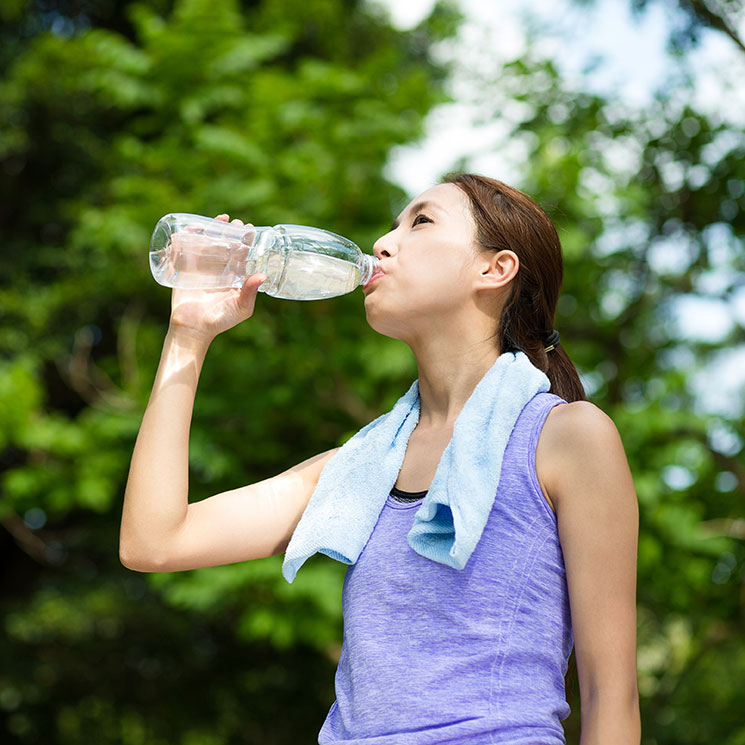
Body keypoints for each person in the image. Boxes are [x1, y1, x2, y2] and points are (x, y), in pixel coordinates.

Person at [120, 173, 641, 744]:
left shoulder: (565, 437)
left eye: (420, 222)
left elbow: (608, 692)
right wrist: (188, 337)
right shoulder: (360, 468)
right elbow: (154, 542)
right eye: (393, 225)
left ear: (495, 269)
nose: (383, 243)